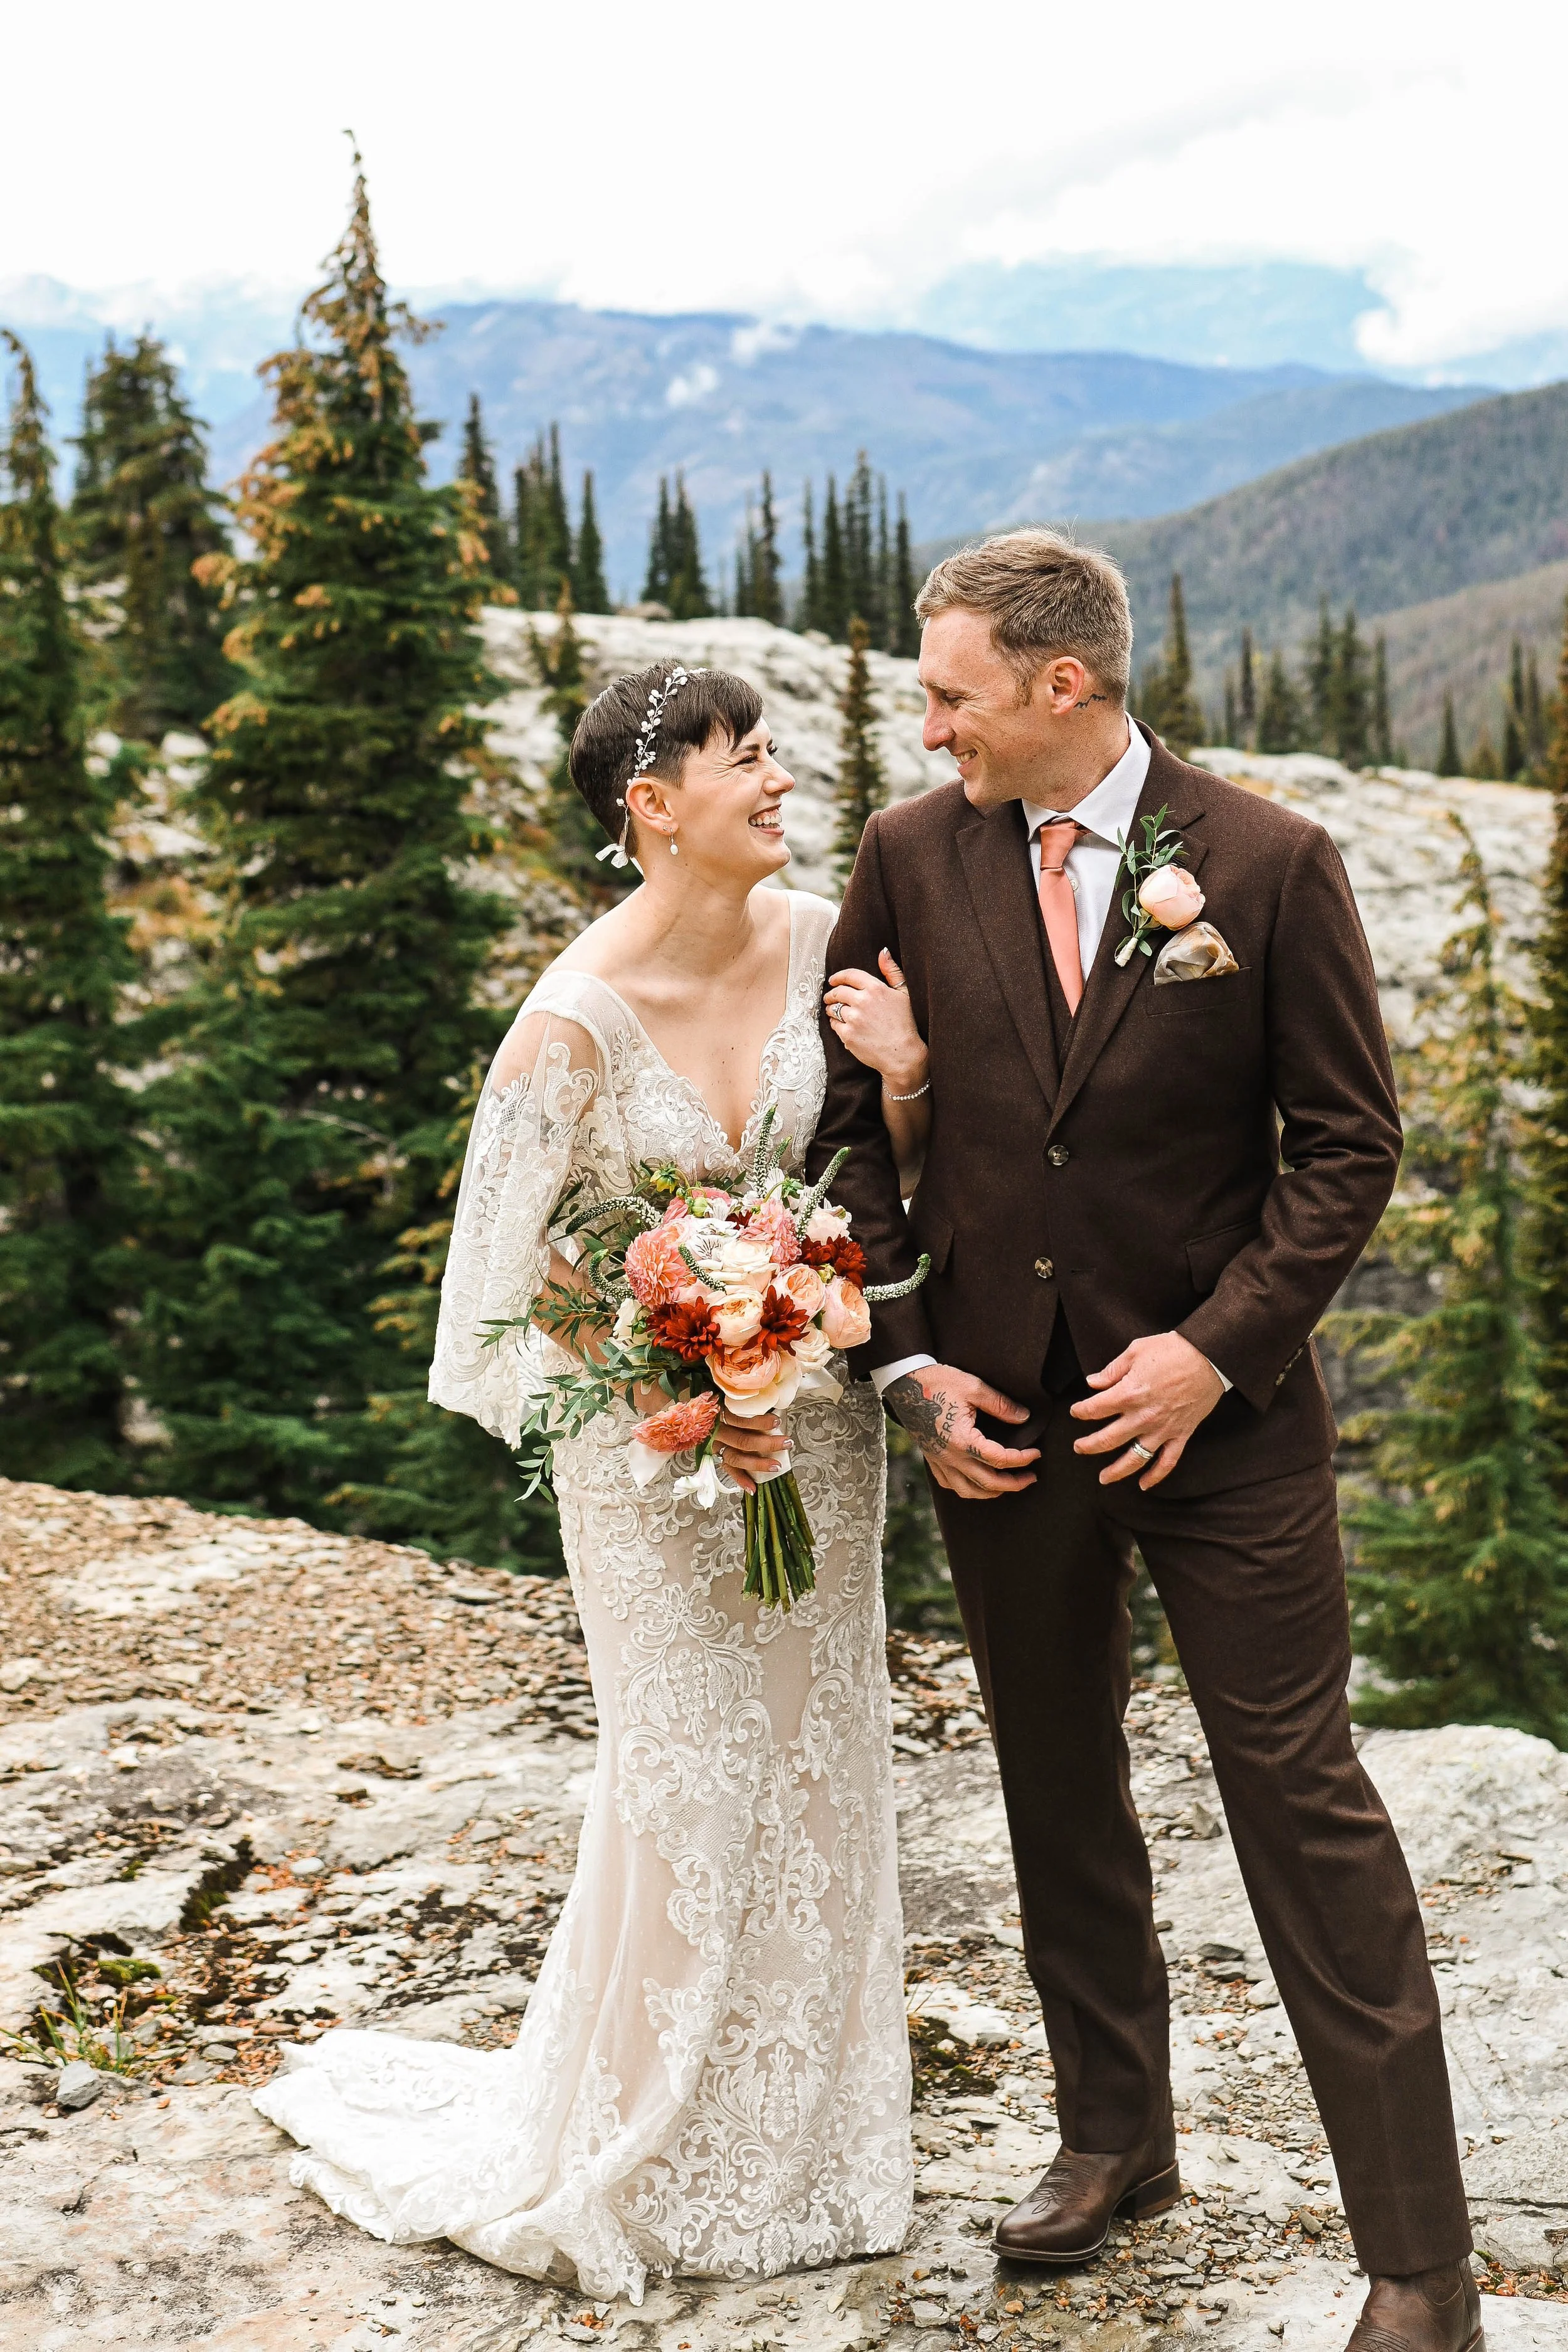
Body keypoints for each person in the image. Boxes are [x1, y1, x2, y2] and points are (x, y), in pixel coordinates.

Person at [811, 531, 1480, 2352]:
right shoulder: (905, 852)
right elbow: (854, 1142)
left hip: (1224, 1422)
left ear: (1062, 687)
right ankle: (1114, 2136)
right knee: (1054, 1780)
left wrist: (1212, 1351)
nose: (926, 721)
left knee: (1298, 1794)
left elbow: (1347, 1146)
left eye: (951, 690)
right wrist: (906, 1362)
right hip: (998, 1418)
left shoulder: (1265, 861)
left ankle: (1420, 2265)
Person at [255, 664, 918, 2304]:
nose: (778, 776)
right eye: (740, 756)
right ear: (651, 804)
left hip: (817, 1436)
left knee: (818, 1759)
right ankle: (635, 2140)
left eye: (772, 747)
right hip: (649, 1468)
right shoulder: (566, 1023)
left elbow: (890, 1176)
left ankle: (808, 2146)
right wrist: (679, 1381)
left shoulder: (832, 940)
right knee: (687, 1776)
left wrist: (893, 1102)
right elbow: (495, 1306)